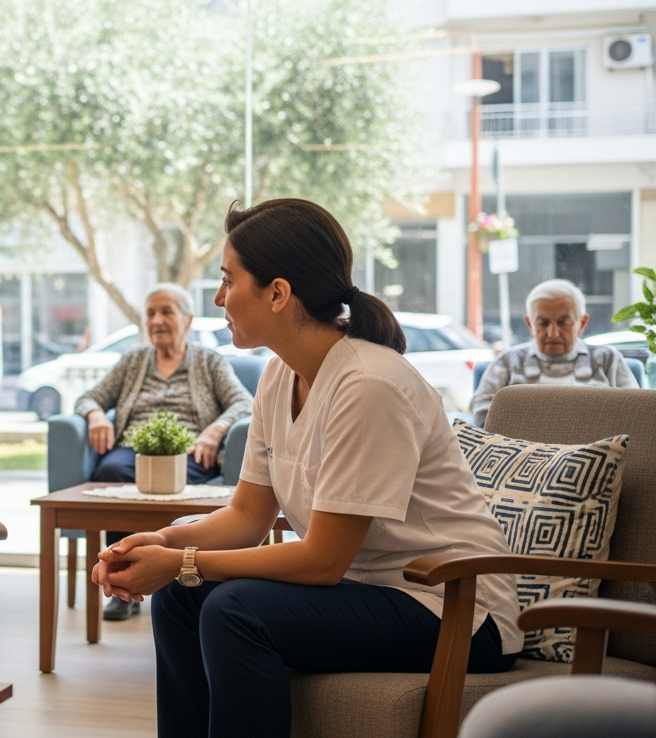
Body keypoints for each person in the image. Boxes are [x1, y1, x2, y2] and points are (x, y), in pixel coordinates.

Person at [92, 199, 520, 738]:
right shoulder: (278, 375)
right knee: (181, 599)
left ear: (277, 293)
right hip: (365, 591)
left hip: (452, 607)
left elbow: (322, 561)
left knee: (232, 609)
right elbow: (248, 515)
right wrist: (159, 541)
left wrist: (183, 561)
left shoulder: (369, 385)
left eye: (228, 281)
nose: (220, 299)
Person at [74, 282, 253, 621]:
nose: (156, 320)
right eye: (151, 313)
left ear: (187, 320)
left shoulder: (209, 361)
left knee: (182, 481)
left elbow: (244, 401)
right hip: (135, 451)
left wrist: (214, 431)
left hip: (189, 450)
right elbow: (89, 397)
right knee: (110, 472)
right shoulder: (133, 360)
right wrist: (96, 414)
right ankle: (121, 579)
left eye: (166, 312)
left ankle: (178, 579)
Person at [470, 278, 637, 428]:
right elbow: (482, 415)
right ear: (529, 324)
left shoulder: (607, 359)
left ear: (582, 322)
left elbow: (636, 414)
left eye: (564, 322)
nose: (553, 333)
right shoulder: (508, 361)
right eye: (543, 323)